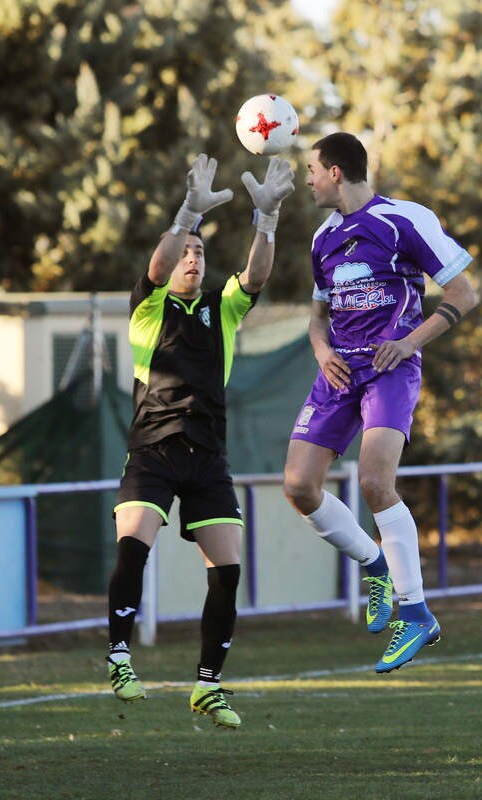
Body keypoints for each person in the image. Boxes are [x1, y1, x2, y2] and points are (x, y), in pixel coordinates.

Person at [106, 153, 294, 727]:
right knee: (133, 547)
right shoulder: (149, 306)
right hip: (154, 451)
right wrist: (187, 213)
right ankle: (119, 656)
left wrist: (267, 219)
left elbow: (257, 276)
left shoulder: (223, 308)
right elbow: (158, 265)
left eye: (201, 250)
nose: (193, 256)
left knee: (228, 571)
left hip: (208, 454)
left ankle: (208, 685)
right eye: (187, 249)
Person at [283, 132, 479, 673]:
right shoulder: (323, 238)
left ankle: (415, 612)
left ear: (337, 172)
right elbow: (317, 318)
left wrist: (408, 342)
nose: (308, 180)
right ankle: (373, 562)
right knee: (299, 486)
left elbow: (465, 293)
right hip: (338, 371)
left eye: (313, 171)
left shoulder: (405, 219)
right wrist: (321, 350)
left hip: (391, 369)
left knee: (374, 482)